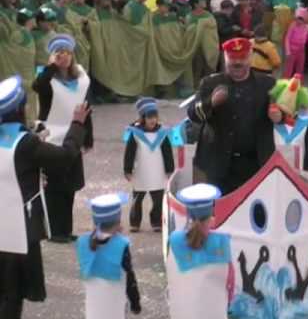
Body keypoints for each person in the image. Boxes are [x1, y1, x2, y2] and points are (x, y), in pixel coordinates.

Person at [0, 75, 90, 319]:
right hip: (17, 231)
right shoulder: (27, 144)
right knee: (11, 294)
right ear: (20, 108)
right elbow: (65, 157)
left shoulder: (26, 141)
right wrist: (77, 124)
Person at [187, 37, 279, 195]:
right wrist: (211, 103)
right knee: (217, 213)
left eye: (242, 58)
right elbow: (193, 115)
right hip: (217, 165)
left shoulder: (267, 84)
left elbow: (288, 113)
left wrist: (280, 116)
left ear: (250, 57)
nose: (237, 63)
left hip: (256, 163)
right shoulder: (210, 83)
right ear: (225, 58)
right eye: (233, 59)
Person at [32, 34, 93, 243]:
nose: (63, 57)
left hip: (74, 135)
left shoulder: (81, 78)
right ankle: (54, 231)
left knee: (70, 186)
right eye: (59, 53)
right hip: (52, 138)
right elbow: (37, 86)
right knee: (55, 186)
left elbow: (86, 109)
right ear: (52, 56)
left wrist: (88, 138)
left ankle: (66, 229)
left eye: (67, 53)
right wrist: (51, 67)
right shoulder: (47, 78)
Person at [167, 183, 231, 319]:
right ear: (211, 215)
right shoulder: (222, 242)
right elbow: (229, 281)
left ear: (188, 215)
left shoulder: (174, 240)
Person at [76, 193, 141, 318]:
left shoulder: (83, 242)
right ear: (118, 221)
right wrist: (135, 303)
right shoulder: (121, 245)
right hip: (114, 305)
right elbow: (129, 278)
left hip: (93, 306)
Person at [123, 97, 175, 233]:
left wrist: (170, 169)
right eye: (149, 117)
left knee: (158, 199)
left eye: (154, 116)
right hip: (141, 171)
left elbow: (167, 152)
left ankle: (156, 222)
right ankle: (135, 222)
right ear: (142, 118)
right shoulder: (135, 134)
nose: (152, 120)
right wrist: (127, 169)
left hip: (158, 171)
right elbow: (129, 153)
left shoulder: (162, 133)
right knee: (137, 198)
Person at [284, 7, 308, 79]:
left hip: (301, 51)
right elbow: (287, 38)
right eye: (298, 18)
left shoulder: (307, 27)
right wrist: (288, 51)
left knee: (299, 71)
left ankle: (298, 86)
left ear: (304, 19)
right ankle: (285, 86)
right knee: (289, 70)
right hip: (292, 51)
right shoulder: (292, 25)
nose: (299, 21)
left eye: (301, 19)